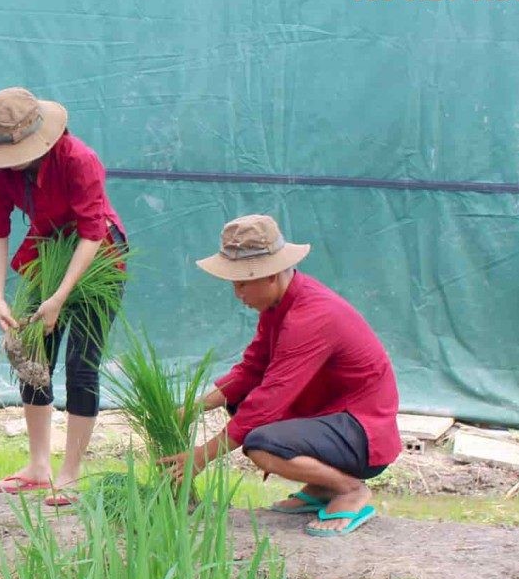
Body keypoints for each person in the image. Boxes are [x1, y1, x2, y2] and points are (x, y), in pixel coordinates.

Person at [159, 214, 401, 537]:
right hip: (333, 417)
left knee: (260, 444)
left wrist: (202, 456)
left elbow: (268, 402)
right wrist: (192, 408)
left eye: (242, 282)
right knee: (241, 402)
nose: (237, 293)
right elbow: (251, 371)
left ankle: (349, 489)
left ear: (270, 275)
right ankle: (320, 487)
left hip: (363, 431)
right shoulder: (277, 307)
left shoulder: (310, 318)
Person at [0, 87, 127, 506]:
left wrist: (58, 297)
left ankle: (70, 474)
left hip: (98, 260)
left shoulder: (78, 159)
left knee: (81, 362)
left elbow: (93, 233)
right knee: (32, 355)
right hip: (44, 251)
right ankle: (38, 466)